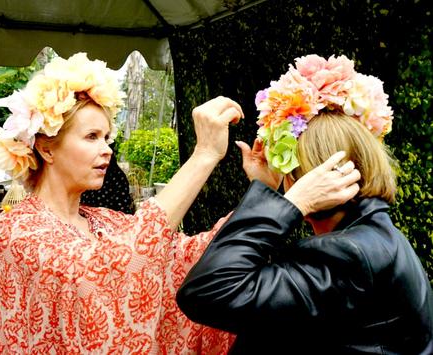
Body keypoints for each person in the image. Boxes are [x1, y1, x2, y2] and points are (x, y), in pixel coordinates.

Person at [0, 52, 251, 354]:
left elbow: (189, 257)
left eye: (107, 137)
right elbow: (105, 276)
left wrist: (263, 191)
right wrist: (203, 156)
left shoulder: (108, 221)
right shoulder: (13, 234)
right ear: (46, 150)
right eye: (91, 136)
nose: (106, 149)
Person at [177, 54, 433, 354]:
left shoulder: (350, 255)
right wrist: (265, 189)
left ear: (306, 176)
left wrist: (293, 201)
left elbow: (208, 291)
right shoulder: (373, 235)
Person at [81, 149, 135, 214]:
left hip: (112, 216)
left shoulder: (117, 176)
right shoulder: (92, 175)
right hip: (93, 214)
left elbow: (122, 202)